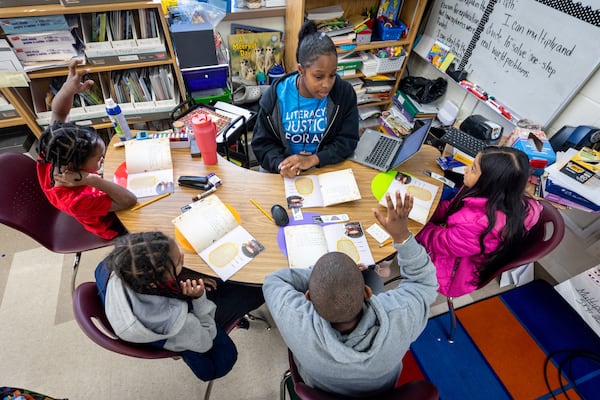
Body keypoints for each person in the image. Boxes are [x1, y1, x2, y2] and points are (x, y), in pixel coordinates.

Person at [263, 192, 438, 397]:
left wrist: (322, 277)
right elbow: (424, 282)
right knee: (372, 275)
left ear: (308, 296)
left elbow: (273, 281)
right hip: (382, 390)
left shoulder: (295, 320)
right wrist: (402, 237)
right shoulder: (401, 315)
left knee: (366, 275)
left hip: (319, 388)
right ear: (367, 292)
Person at [96, 231, 265, 381]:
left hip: (146, 314)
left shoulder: (120, 263)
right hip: (190, 330)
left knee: (216, 277)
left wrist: (182, 276)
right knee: (257, 290)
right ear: (156, 281)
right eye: (178, 262)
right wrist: (199, 298)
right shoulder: (181, 322)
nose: (183, 259)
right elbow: (206, 339)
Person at [415, 146, 543, 298]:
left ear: (490, 183)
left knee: (396, 236)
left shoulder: (479, 225)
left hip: (451, 276)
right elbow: (452, 207)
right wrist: (426, 211)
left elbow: (441, 242)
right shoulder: (491, 193)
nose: (466, 169)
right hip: (456, 246)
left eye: (473, 168)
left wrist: (417, 225)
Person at [36, 59, 137, 239]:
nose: (102, 161)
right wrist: (92, 180)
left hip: (96, 192)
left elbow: (59, 113)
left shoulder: (56, 150)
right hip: (113, 225)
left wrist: (68, 89)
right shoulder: (78, 200)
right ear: (75, 167)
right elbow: (129, 201)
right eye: (98, 159)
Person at [251, 20, 359, 178]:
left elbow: (347, 141)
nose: (326, 84)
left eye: (332, 75)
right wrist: (281, 164)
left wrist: (315, 159)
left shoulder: (344, 94)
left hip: (325, 166)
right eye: (318, 76)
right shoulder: (274, 98)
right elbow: (262, 145)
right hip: (284, 170)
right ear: (301, 70)